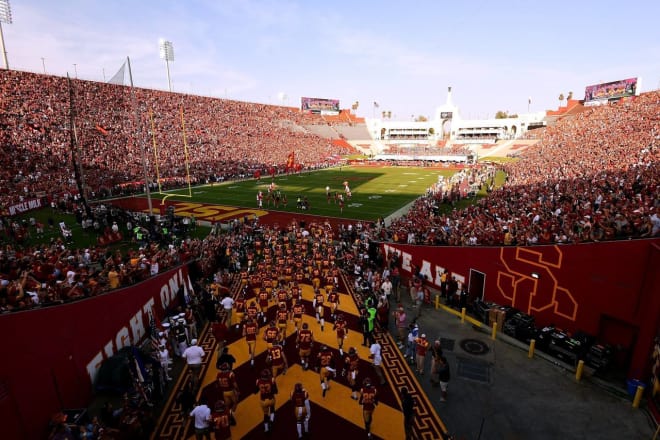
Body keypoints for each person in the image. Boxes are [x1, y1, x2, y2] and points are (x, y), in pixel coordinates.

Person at [255, 368, 278, 434]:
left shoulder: (258, 381)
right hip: (271, 399)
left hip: (263, 401)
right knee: (272, 409)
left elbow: (255, 391)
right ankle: (271, 420)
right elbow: (276, 391)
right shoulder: (271, 380)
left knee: (265, 415)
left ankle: (266, 429)